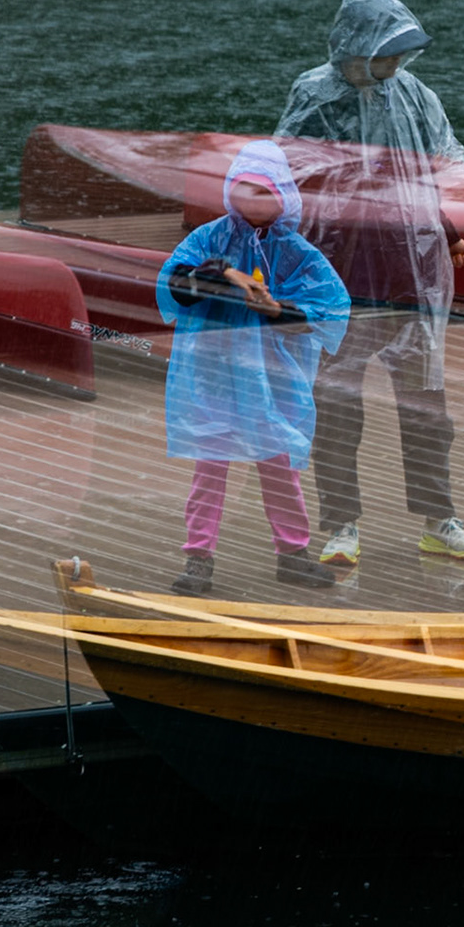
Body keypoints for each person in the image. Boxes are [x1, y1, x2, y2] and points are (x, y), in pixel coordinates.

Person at [273, 0, 464, 568]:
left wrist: (447, 232)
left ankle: (437, 517)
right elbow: (285, 176)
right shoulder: (315, 95)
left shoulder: (411, 94)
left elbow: (424, 176)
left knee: (425, 404)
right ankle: (342, 524)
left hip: (409, 274)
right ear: (354, 44)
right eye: (384, 52)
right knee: (339, 404)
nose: (392, 64)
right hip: (339, 275)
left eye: (399, 53)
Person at [156, 141, 351, 596]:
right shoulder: (209, 240)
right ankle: (198, 557)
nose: (256, 203)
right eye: (247, 191)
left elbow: (326, 314)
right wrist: (224, 273)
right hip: (215, 378)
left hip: (273, 382)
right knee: (211, 468)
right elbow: (177, 288)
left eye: (266, 193)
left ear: (283, 196)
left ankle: (293, 554)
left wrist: (273, 310)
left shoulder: (296, 252)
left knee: (279, 465)